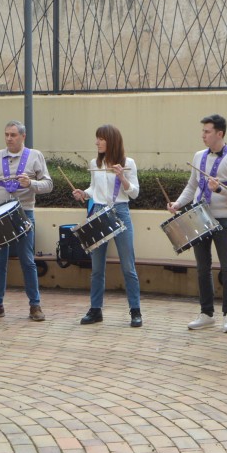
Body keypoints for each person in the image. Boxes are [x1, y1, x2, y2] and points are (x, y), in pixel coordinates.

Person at [167, 114, 227, 333]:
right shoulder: (198, 156)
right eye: (203, 131)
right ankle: (206, 313)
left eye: (207, 131)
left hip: (223, 218)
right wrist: (178, 203)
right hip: (198, 216)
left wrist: (220, 189)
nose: (203, 135)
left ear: (219, 134)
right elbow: (192, 186)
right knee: (202, 268)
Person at [0, 120, 53, 322]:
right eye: (6, 134)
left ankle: (35, 305)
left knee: (27, 260)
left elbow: (48, 184)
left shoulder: (35, 156)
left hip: (23, 213)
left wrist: (31, 183)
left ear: (23, 136)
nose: (9, 138)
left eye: (13, 135)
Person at [72, 125, 143, 328]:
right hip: (99, 212)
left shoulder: (128, 163)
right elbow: (95, 189)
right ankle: (95, 310)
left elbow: (135, 193)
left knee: (128, 266)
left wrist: (122, 177)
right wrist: (84, 194)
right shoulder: (96, 162)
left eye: (101, 139)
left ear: (111, 140)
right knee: (97, 268)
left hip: (120, 211)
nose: (97, 142)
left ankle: (135, 310)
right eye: (97, 139)